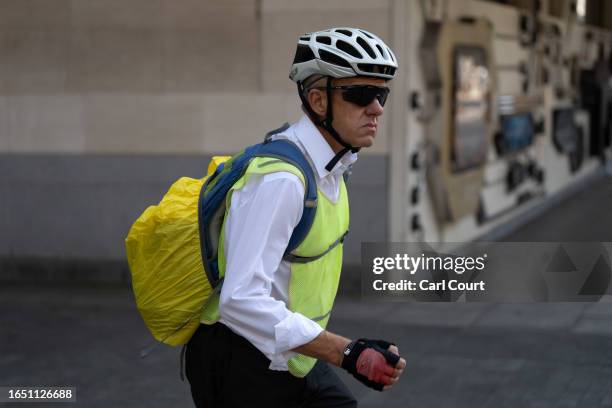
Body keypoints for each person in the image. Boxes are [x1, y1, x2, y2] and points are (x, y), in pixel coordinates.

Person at [185, 27, 406, 407]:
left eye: (381, 93)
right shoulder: (281, 181)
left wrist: (338, 351)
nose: (377, 108)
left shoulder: (332, 170)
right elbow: (240, 300)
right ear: (318, 100)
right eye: (360, 94)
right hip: (241, 359)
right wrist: (346, 352)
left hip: (292, 352)